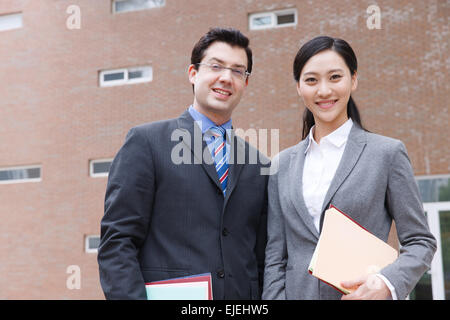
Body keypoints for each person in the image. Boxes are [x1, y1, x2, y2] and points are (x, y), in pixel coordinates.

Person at [98, 27, 269, 300]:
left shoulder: (259, 165)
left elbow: (261, 259)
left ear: (245, 83)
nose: (226, 78)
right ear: (193, 73)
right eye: (216, 66)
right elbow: (118, 242)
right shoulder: (147, 142)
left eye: (238, 71)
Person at [262, 36, 436, 300]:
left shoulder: (386, 154)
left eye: (335, 77)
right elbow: (276, 255)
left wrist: (385, 284)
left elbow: (421, 242)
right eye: (311, 80)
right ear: (298, 87)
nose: (323, 91)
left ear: (353, 80)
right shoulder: (281, 165)